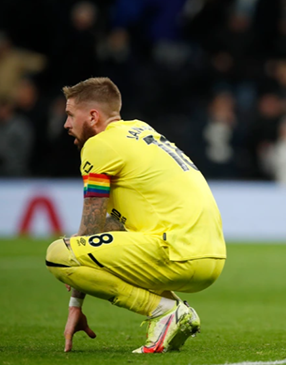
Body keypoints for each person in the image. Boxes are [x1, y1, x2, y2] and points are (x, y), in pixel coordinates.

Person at [45, 77, 226, 353]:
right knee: (84, 247)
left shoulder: (99, 145)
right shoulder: (140, 131)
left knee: (57, 254)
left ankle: (164, 311)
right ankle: (176, 310)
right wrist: (78, 300)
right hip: (210, 257)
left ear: (93, 116)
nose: (66, 124)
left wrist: (75, 301)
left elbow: (89, 231)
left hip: (174, 250)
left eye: (70, 115)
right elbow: (111, 228)